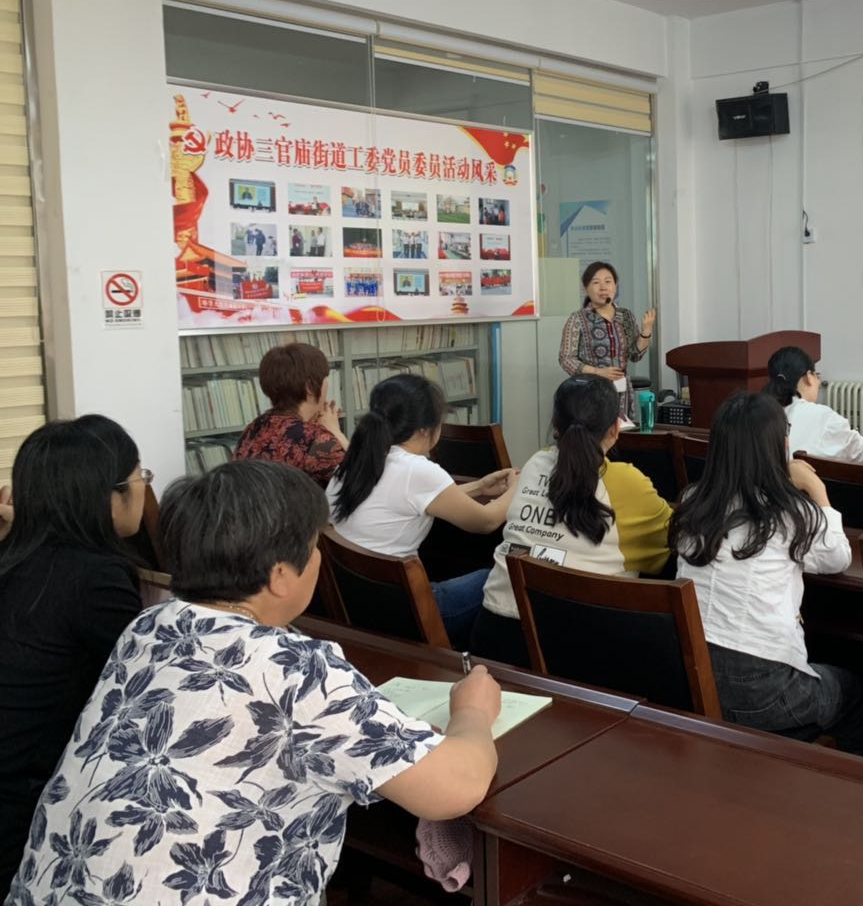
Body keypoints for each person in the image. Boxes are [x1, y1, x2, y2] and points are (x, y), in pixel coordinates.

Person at [6, 460, 503, 906]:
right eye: (315, 545)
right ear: (281, 575)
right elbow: (455, 788)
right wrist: (472, 713)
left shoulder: (150, 626)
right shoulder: (296, 669)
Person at [672, 391, 863, 756]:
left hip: (692, 679)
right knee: (852, 692)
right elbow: (838, 557)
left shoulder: (692, 502)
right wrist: (818, 489)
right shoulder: (792, 514)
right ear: (780, 446)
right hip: (762, 692)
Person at [0, 417, 145, 894]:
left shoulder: (17, 556)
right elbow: (141, 690)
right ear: (109, 496)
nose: (143, 488)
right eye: (140, 477)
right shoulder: (96, 578)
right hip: (24, 808)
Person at [474, 375, 672, 666]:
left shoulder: (535, 463)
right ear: (616, 428)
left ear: (555, 425)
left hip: (495, 633)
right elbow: (670, 547)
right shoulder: (627, 483)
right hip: (580, 649)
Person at [328, 374, 518, 648]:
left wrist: (479, 487)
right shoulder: (417, 470)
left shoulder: (357, 461)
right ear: (425, 429)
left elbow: (409, 501)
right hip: (406, 613)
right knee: (498, 578)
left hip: (359, 605)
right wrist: (518, 487)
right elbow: (486, 522)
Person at [235, 342, 348, 487]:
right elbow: (363, 483)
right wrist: (336, 432)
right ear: (310, 387)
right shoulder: (318, 440)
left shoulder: (254, 427)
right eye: (326, 379)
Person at [558, 261, 655, 422]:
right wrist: (598, 372)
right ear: (586, 288)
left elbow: (635, 355)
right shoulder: (577, 319)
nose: (603, 287)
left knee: (622, 434)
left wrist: (646, 331)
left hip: (622, 393)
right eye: (596, 282)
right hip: (589, 392)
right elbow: (566, 359)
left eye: (608, 281)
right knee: (595, 434)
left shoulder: (625, 316)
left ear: (615, 286)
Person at [764, 345, 863, 465]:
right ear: (808, 377)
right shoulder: (822, 416)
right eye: (817, 375)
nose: (819, 383)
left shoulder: (759, 411)